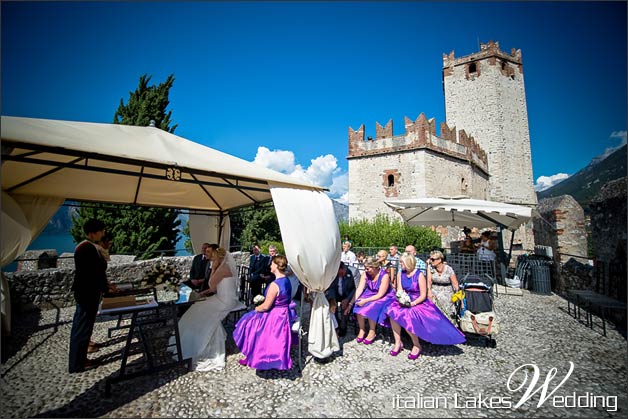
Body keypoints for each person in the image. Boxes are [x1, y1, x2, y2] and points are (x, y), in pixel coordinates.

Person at [171, 247, 243, 371]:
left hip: (225, 301)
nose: (211, 259)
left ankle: (196, 344)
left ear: (218, 258)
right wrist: (204, 293)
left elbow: (211, 284)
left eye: (213, 257)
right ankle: (183, 339)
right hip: (223, 297)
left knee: (199, 311)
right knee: (197, 306)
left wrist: (213, 268)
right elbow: (215, 289)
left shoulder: (222, 269)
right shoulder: (224, 267)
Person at [386, 253, 465, 360]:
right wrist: (401, 299)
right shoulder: (400, 273)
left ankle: (416, 344)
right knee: (392, 311)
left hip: (418, 301)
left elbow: (423, 295)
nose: (400, 264)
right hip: (405, 299)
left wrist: (412, 303)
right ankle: (398, 342)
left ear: (408, 262)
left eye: (401, 262)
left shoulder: (419, 275)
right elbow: (399, 290)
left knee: (408, 314)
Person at [233, 255, 297, 370]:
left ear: (276, 266)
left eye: (272, 264)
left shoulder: (274, 285)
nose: (270, 265)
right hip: (284, 313)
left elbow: (266, 306)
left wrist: (256, 309)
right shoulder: (286, 280)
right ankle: (253, 353)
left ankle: (255, 354)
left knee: (248, 321)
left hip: (276, 315)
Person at [68, 218, 109, 373]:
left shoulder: (88, 247)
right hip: (87, 293)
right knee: (81, 327)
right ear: (93, 233)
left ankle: (81, 357)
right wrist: (105, 288)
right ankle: (77, 363)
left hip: (87, 292)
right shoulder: (87, 249)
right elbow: (94, 273)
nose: (103, 233)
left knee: (84, 325)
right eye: (101, 231)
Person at [351, 256, 395, 345]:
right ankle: (362, 329)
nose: (366, 270)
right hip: (370, 292)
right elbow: (359, 289)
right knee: (358, 303)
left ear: (374, 267)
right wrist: (352, 302)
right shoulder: (365, 274)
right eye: (365, 268)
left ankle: (372, 331)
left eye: (368, 269)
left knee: (371, 305)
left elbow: (380, 294)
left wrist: (366, 300)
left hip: (383, 296)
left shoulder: (384, 276)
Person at [324, 261, 357, 337]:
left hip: (349, 294)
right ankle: (336, 324)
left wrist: (348, 299)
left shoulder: (353, 272)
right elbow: (331, 287)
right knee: (331, 304)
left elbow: (356, 289)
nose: (339, 275)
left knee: (344, 307)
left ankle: (343, 327)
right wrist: (332, 300)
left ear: (344, 268)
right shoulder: (333, 273)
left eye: (340, 273)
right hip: (337, 294)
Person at [427, 250, 460, 321]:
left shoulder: (448, 269)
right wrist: (429, 291)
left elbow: (455, 283)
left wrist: (458, 295)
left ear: (439, 260)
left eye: (433, 259)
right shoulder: (430, 268)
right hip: (435, 291)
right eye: (430, 259)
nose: (431, 261)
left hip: (447, 291)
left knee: (448, 308)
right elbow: (429, 281)